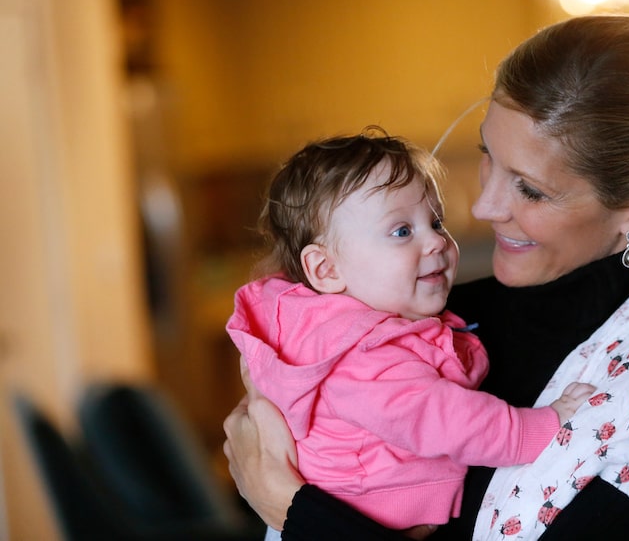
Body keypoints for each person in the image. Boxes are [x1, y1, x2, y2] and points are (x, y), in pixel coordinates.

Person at [223, 15, 629, 540]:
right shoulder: (436, 316)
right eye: (488, 153)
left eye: (530, 189)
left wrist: (290, 508)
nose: (483, 208)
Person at [225, 129, 595, 540]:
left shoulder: (366, 325)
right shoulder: (362, 356)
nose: (437, 241)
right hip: (343, 521)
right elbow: (447, 419)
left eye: (436, 221)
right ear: (326, 270)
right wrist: (538, 427)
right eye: (402, 231)